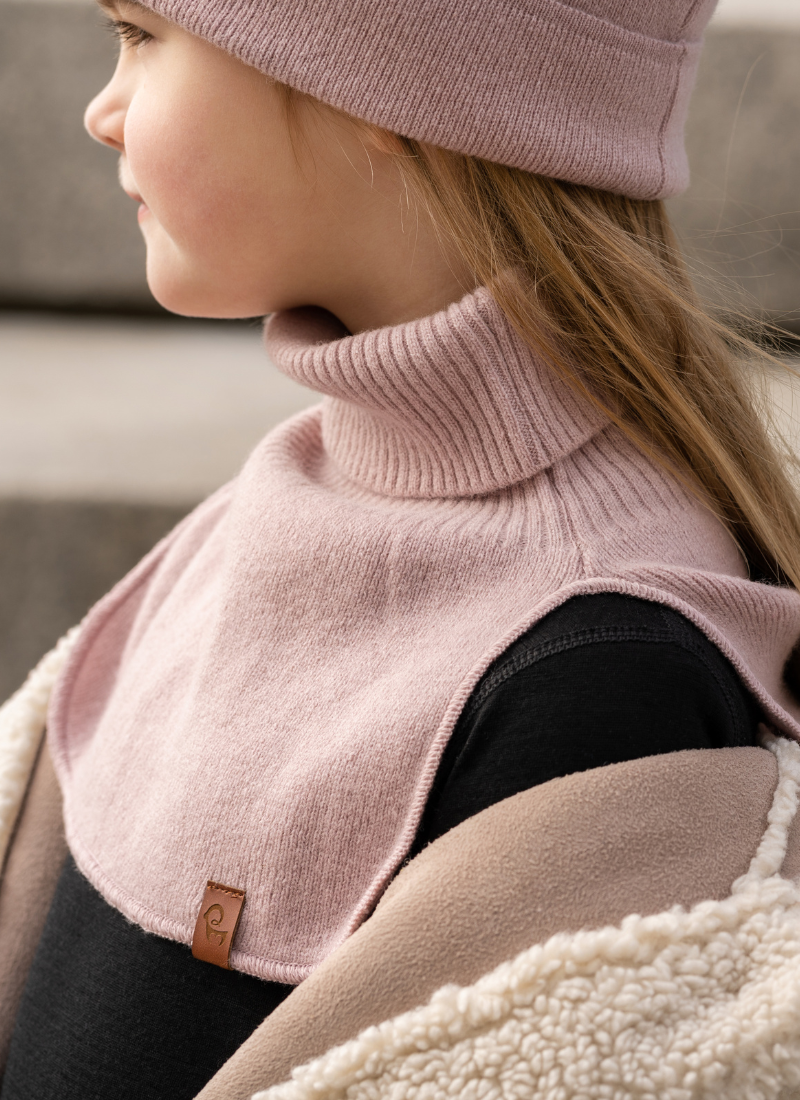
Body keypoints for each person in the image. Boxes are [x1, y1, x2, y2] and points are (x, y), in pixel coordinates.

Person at [2, 0, 800, 1096]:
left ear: (380, 85)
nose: (103, 110)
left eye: (142, 33)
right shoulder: (268, 512)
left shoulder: (603, 673)